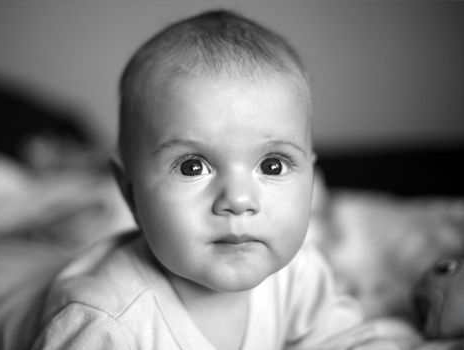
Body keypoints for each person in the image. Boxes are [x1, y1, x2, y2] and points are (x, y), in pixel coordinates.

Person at [31, 10, 421, 350]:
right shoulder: (105, 323)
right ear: (129, 191)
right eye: (192, 167)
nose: (238, 200)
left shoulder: (300, 275)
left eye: (272, 165)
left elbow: (348, 341)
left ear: (312, 179)